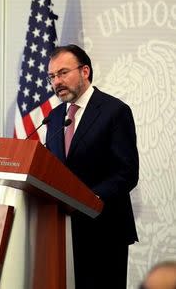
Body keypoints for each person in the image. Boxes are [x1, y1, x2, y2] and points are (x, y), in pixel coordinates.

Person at [45, 44, 139, 288]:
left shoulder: (114, 111)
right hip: (62, 232)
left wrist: (87, 199)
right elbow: (50, 168)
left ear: (85, 71)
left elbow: (126, 173)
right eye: (52, 76)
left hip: (104, 232)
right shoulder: (54, 117)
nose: (57, 82)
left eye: (63, 73)